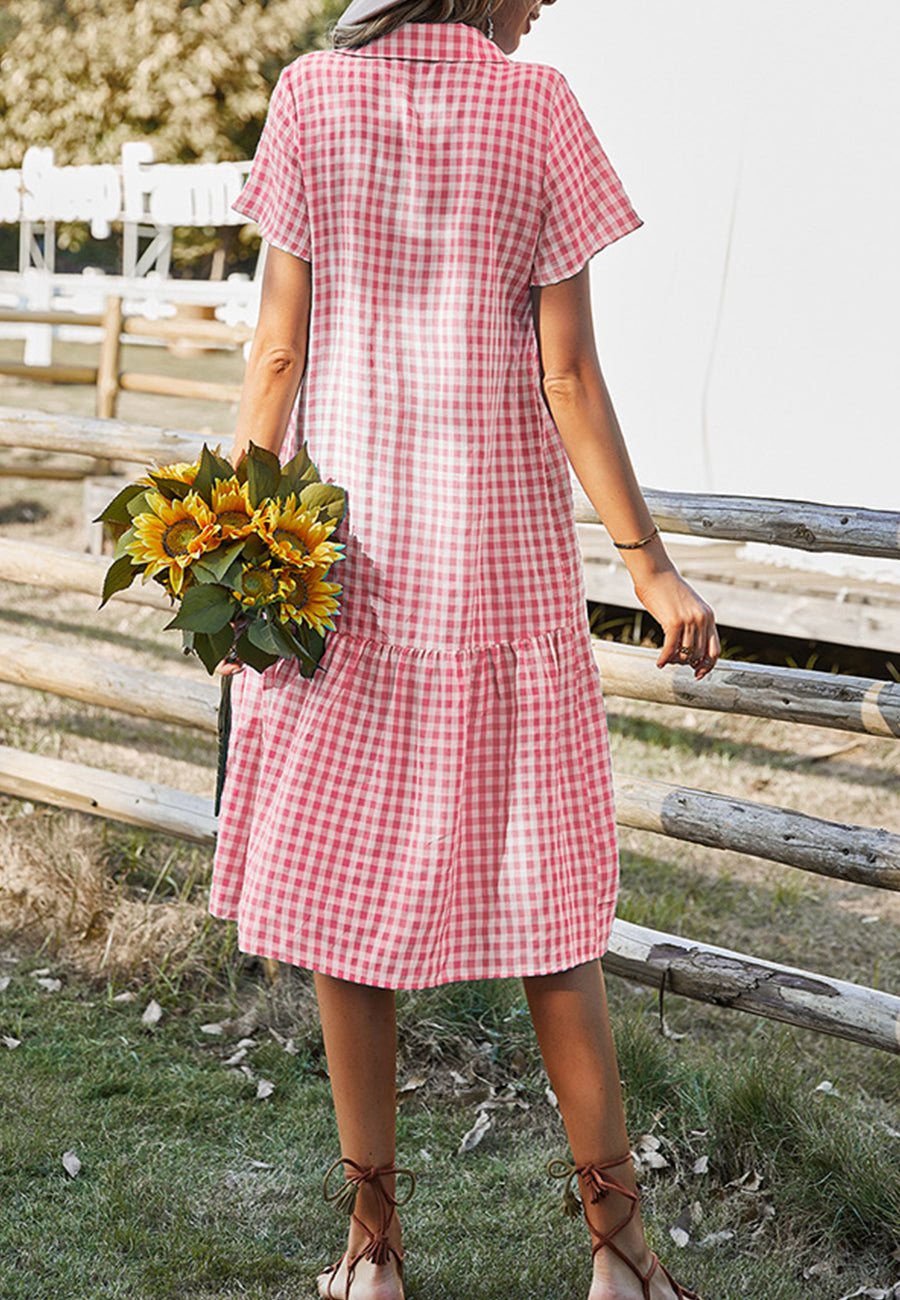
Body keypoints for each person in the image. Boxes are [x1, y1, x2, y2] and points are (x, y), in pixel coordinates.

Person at [210, 1, 720, 1296]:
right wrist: (649, 568)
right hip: (500, 586)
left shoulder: (309, 98)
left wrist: (235, 569)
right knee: (551, 917)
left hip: (354, 584)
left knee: (342, 915)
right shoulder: (536, 106)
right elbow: (572, 378)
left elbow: (276, 353)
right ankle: (623, 1262)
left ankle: (373, 1258)